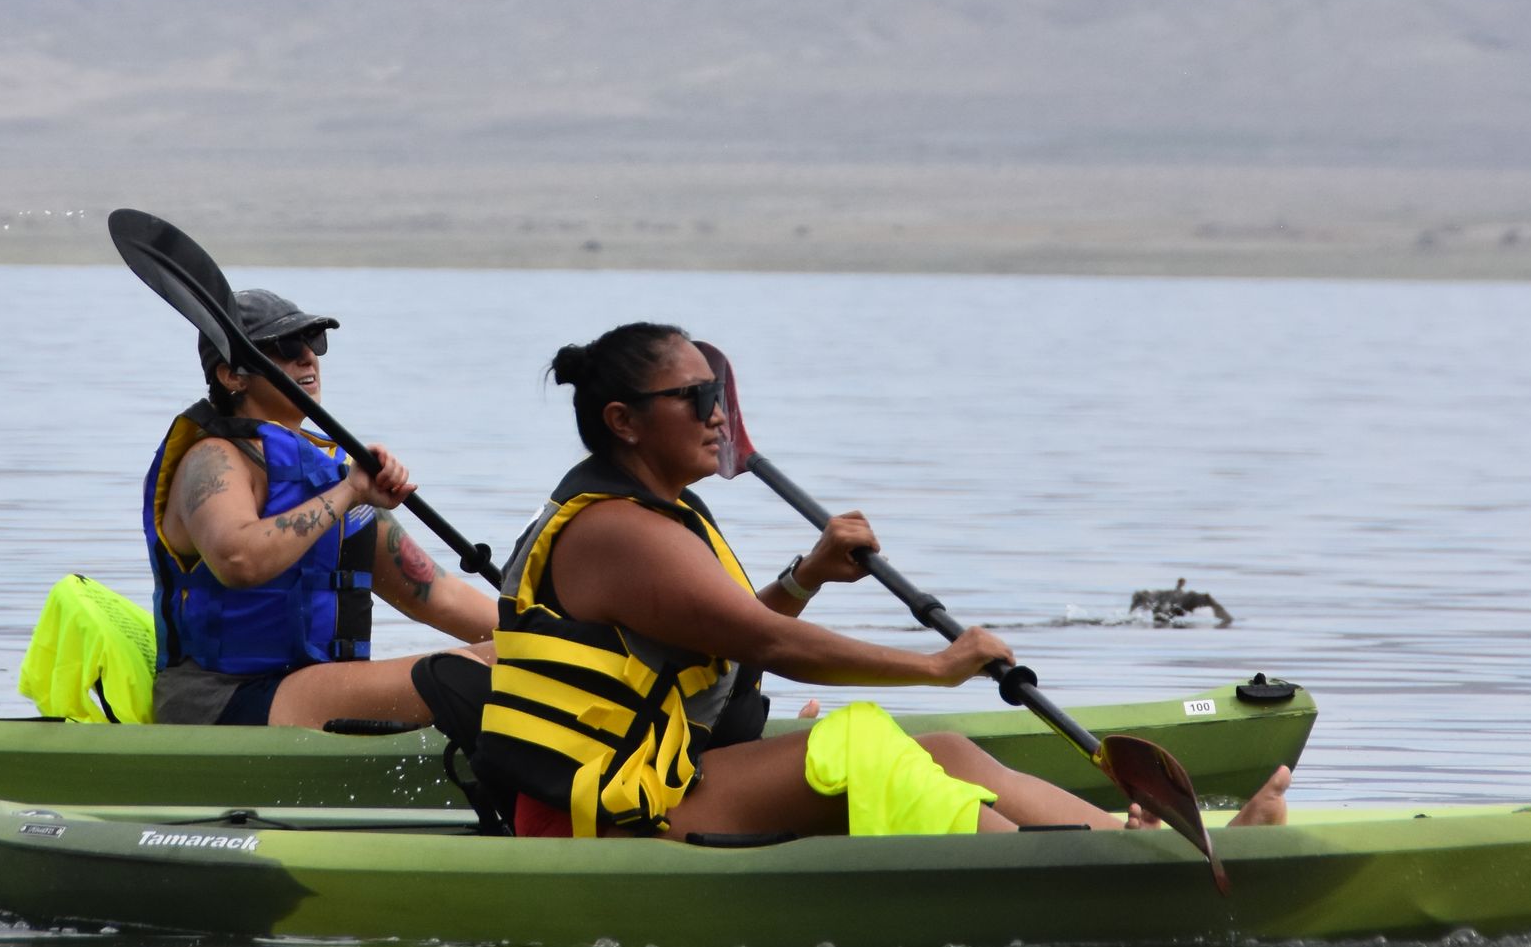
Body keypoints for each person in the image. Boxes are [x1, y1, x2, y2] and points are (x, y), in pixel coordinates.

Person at [477, 322, 1293, 839]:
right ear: (623, 421)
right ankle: (1096, 872)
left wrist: (806, 576)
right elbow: (766, 644)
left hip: (661, 776)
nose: (718, 414)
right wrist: (937, 667)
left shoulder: (656, 514)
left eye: (717, 393)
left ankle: (1133, 842)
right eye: (694, 398)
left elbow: (718, 638)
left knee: (946, 752)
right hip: (613, 810)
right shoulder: (617, 530)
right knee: (868, 746)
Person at [145, 286, 497, 727]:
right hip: (219, 698)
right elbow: (238, 559)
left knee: (526, 659)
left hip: (313, 686)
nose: (308, 358)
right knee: (475, 676)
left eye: (314, 344)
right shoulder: (213, 460)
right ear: (232, 376)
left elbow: (435, 594)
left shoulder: (328, 474)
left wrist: (549, 634)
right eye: (286, 348)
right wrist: (349, 492)